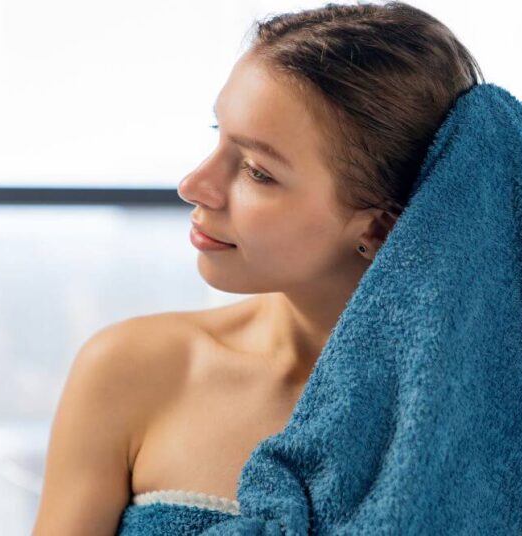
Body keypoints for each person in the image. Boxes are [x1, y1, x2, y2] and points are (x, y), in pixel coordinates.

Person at [32, 2, 483, 533]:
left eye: (257, 171)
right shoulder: (131, 370)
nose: (194, 185)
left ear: (378, 228)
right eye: (217, 133)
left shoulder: (461, 423)